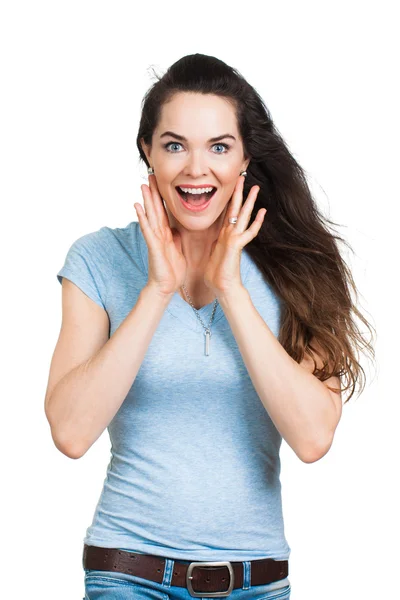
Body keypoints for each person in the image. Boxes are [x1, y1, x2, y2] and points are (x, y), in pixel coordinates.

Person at [45, 54, 376, 600]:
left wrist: (233, 289)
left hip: (257, 581)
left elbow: (314, 438)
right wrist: (156, 290)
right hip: (128, 575)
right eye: (175, 145)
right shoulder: (98, 259)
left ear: (245, 158)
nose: (197, 169)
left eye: (219, 147)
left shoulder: (301, 266)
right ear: (147, 152)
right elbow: (71, 432)